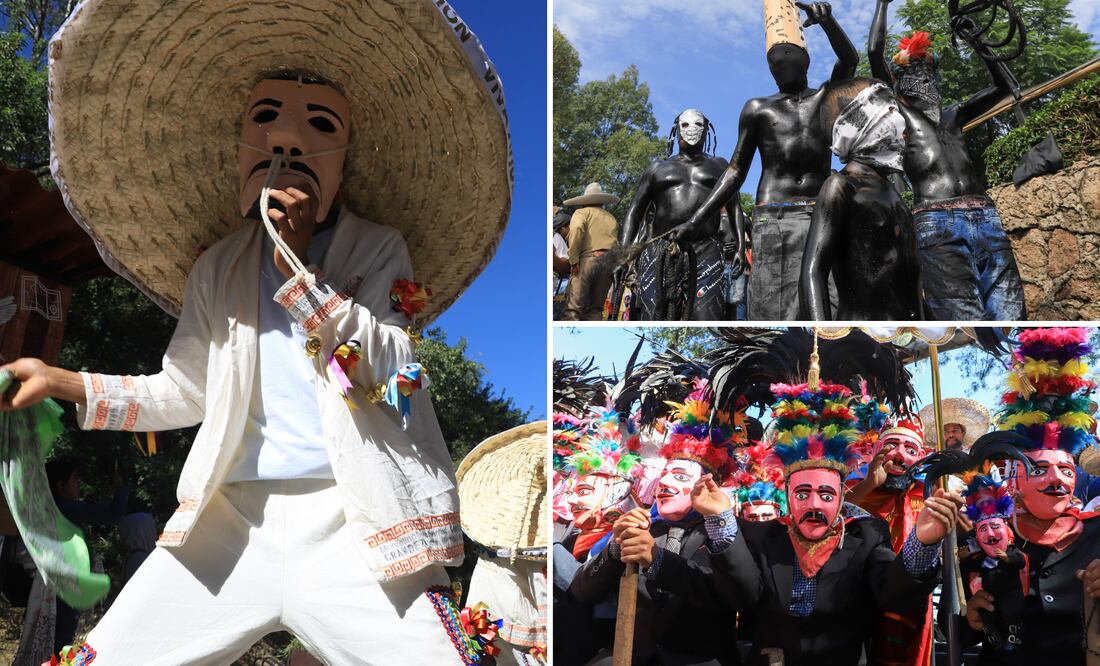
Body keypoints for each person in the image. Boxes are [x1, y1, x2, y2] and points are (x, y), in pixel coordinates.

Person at [1, 2, 513, 662]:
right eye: (265, 120)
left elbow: (390, 374)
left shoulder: (377, 251)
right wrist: (62, 380)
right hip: (228, 526)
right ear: (242, 142)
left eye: (316, 126)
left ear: (344, 154)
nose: (286, 143)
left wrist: (302, 276)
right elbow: (184, 391)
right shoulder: (218, 267)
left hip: (354, 525)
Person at [691, 381, 962, 664]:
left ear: (843, 497)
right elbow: (739, 593)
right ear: (787, 496)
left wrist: (923, 543)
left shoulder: (867, 536)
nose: (815, 505)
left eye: (826, 494)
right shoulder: (760, 536)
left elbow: (893, 594)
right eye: (803, 494)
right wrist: (718, 518)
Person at [669, 0, 858, 320]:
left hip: (820, 212)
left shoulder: (825, 98)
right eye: (773, 60)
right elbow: (735, 171)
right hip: (774, 216)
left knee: (828, 303)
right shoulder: (758, 109)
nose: (780, 64)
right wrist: (698, 218)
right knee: (774, 306)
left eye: (787, 54)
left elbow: (849, 59)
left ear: (805, 58)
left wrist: (828, 22)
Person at [869, 0, 1026, 320]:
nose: (924, 74)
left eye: (928, 68)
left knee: (1010, 312)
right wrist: (882, 4)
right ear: (900, 82)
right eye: (914, 68)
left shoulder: (955, 114)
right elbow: (874, 53)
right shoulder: (901, 116)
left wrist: (976, 40)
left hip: (984, 212)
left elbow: (1004, 86)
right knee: (962, 318)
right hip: (935, 218)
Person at [569, 386, 740, 665]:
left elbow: (729, 595)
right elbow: (579, 592)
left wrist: (656, 559)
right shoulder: (644, 525)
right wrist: (614, 549)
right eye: (665, 475)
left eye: (681, 477)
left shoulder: (723, 535)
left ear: (710, 487)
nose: (665, 483)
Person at [960, 327, 1100, 662]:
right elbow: (956, 627)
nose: (1057, 479)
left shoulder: (1097, 531)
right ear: (1014, 480)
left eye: (1066, 471)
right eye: (1039, 470)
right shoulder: (985, 534)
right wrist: (972, 616)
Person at [799, 78, 923, 320]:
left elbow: (911, 281)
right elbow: (813, 272)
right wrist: (824, 337)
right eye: (889, 110)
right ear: (858, 125)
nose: (900, 119)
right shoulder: (841, 187)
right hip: (862, 333)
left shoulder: (893, 192)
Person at [619, 109, 741, 321]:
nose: (691, 130)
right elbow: (634, 211)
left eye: (698, 125)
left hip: (706, 248)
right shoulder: (658, 168)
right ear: (676, 131)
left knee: (706, 316)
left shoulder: (720, 166)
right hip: (660, 249)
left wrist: (740, 246)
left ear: (706, 132)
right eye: (685, 125)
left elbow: (735, 208)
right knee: (653, 315)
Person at [45, 461, 129, 655]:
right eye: (74, 479)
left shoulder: (49, 507)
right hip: (67, 584)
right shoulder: (67, 507)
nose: (78, 483)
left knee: (57, 638)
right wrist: (120, 487)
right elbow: (113, 515)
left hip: (55, 582)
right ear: (60, 486)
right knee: (62, 640)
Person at [563, 183, 619, 321]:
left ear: (584, 202)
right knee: (595, 309)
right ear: (602, 202)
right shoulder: (612, 218)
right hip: (608, 264)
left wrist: (573, 259)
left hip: (587, 261)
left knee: (573, 309)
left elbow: (576, 230)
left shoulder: (582, 213)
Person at [919, 398, 990, 453]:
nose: (951, 434)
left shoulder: (977, 462)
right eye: (945, 431)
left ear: (963, 433)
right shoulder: (929, 463)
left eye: (955, 430)